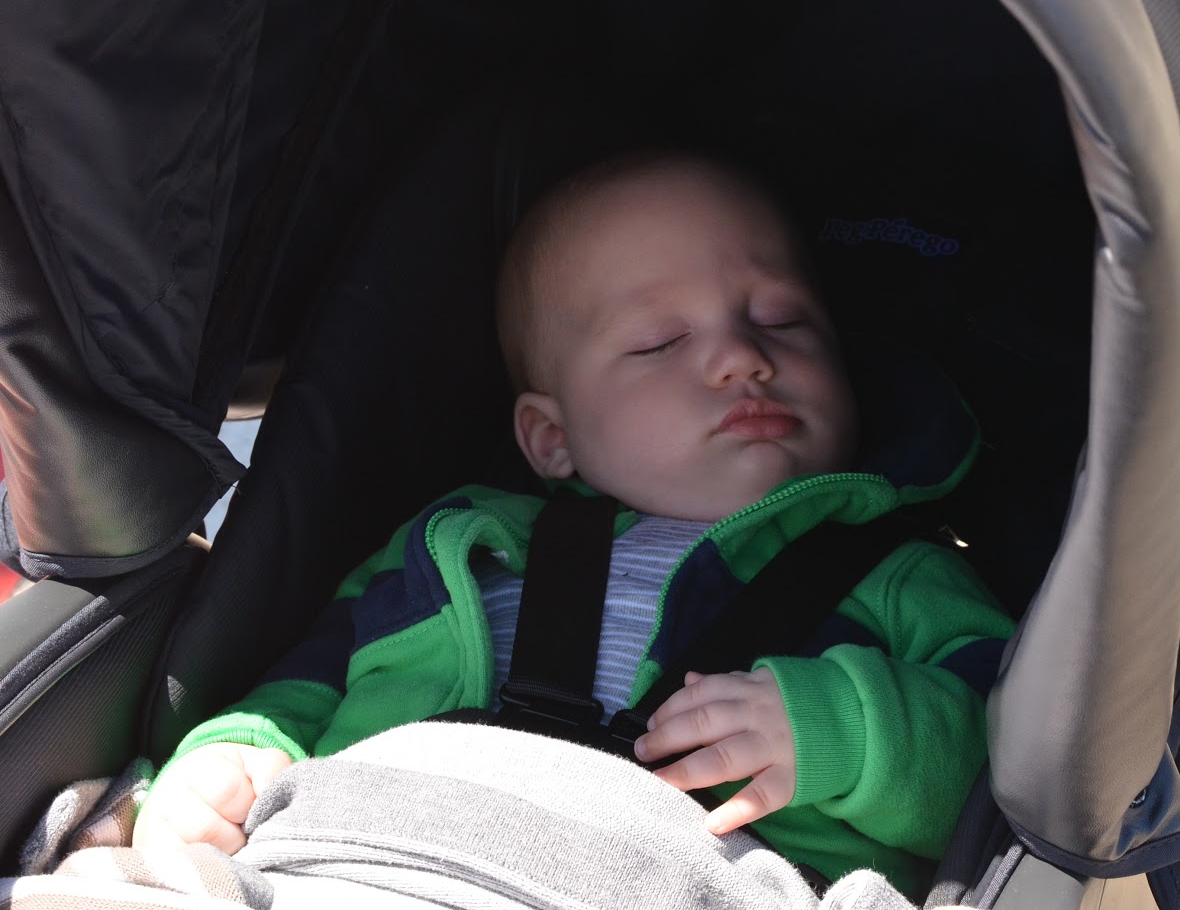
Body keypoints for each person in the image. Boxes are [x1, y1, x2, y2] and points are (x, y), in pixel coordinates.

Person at [132, 151, 1015, 894]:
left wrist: (844, 730)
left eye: (784, 320)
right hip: (367, 856)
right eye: (660, 342)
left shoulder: (903, 575)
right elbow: (309, 684)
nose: (742, 357)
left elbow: (1012, 770)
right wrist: (240, 749)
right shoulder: (457, 546)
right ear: (552, 438)